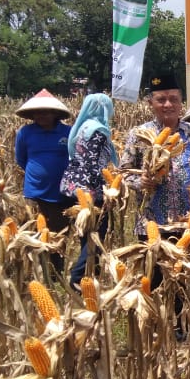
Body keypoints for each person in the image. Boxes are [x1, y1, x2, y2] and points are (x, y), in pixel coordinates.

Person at [120, 74, 190, 236]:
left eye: (173, 99)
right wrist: (140, 182)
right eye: (161, 100)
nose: (168, 104)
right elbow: (124, 172)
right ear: (150, 103)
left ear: (181, 102)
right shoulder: (139, 134)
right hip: (151, 225)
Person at [60, 93, 118, 289]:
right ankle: (78, 278)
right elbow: (92, 163)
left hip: (74, 185)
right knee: (97, 234)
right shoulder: (98, 131)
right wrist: (100, 189)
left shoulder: (82, 127)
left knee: (87, 234)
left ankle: (92, 273)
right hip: (90, 189)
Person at [14, 89, 73, 275]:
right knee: (36, 231)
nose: (41, 115)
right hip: (36, 192)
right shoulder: (25, 133)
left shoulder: (68, 132)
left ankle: (56, 272)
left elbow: (75, 158)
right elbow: (20, 159)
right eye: (37, 112)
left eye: (45, 112)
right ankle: (38, 270)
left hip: (62, 192)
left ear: (55, 113)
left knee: (59, 232)